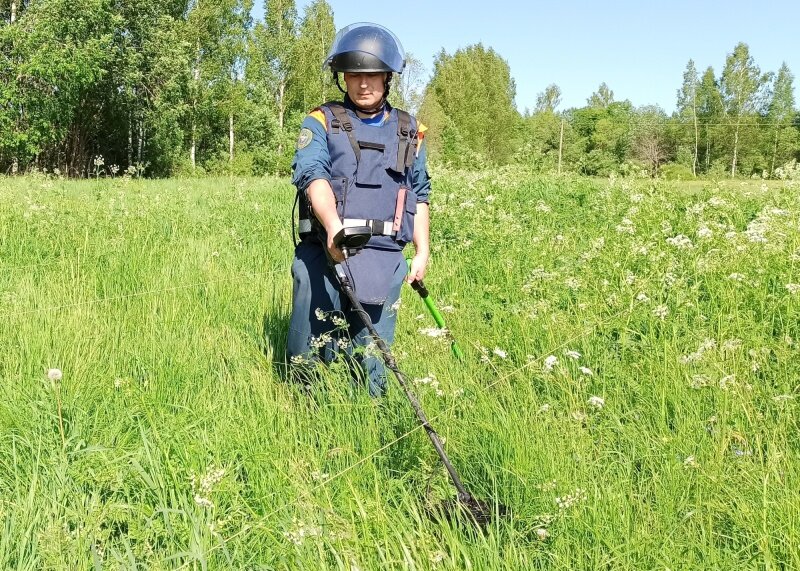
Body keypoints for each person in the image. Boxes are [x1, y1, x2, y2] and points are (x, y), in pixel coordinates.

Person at [288, 22, 431, 397]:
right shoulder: (320, 121)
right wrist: (334, 227)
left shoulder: (409, 130)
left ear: (387, 77)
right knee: (310, 349)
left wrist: (422, 251)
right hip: (326, 248)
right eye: (354, 75)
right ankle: (307, 415)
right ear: (343, 77)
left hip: (385, 255)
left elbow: (418, 192)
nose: (363, 84)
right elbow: (312, 175)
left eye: (372, 75)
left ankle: (368, 417)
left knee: (371, 357)